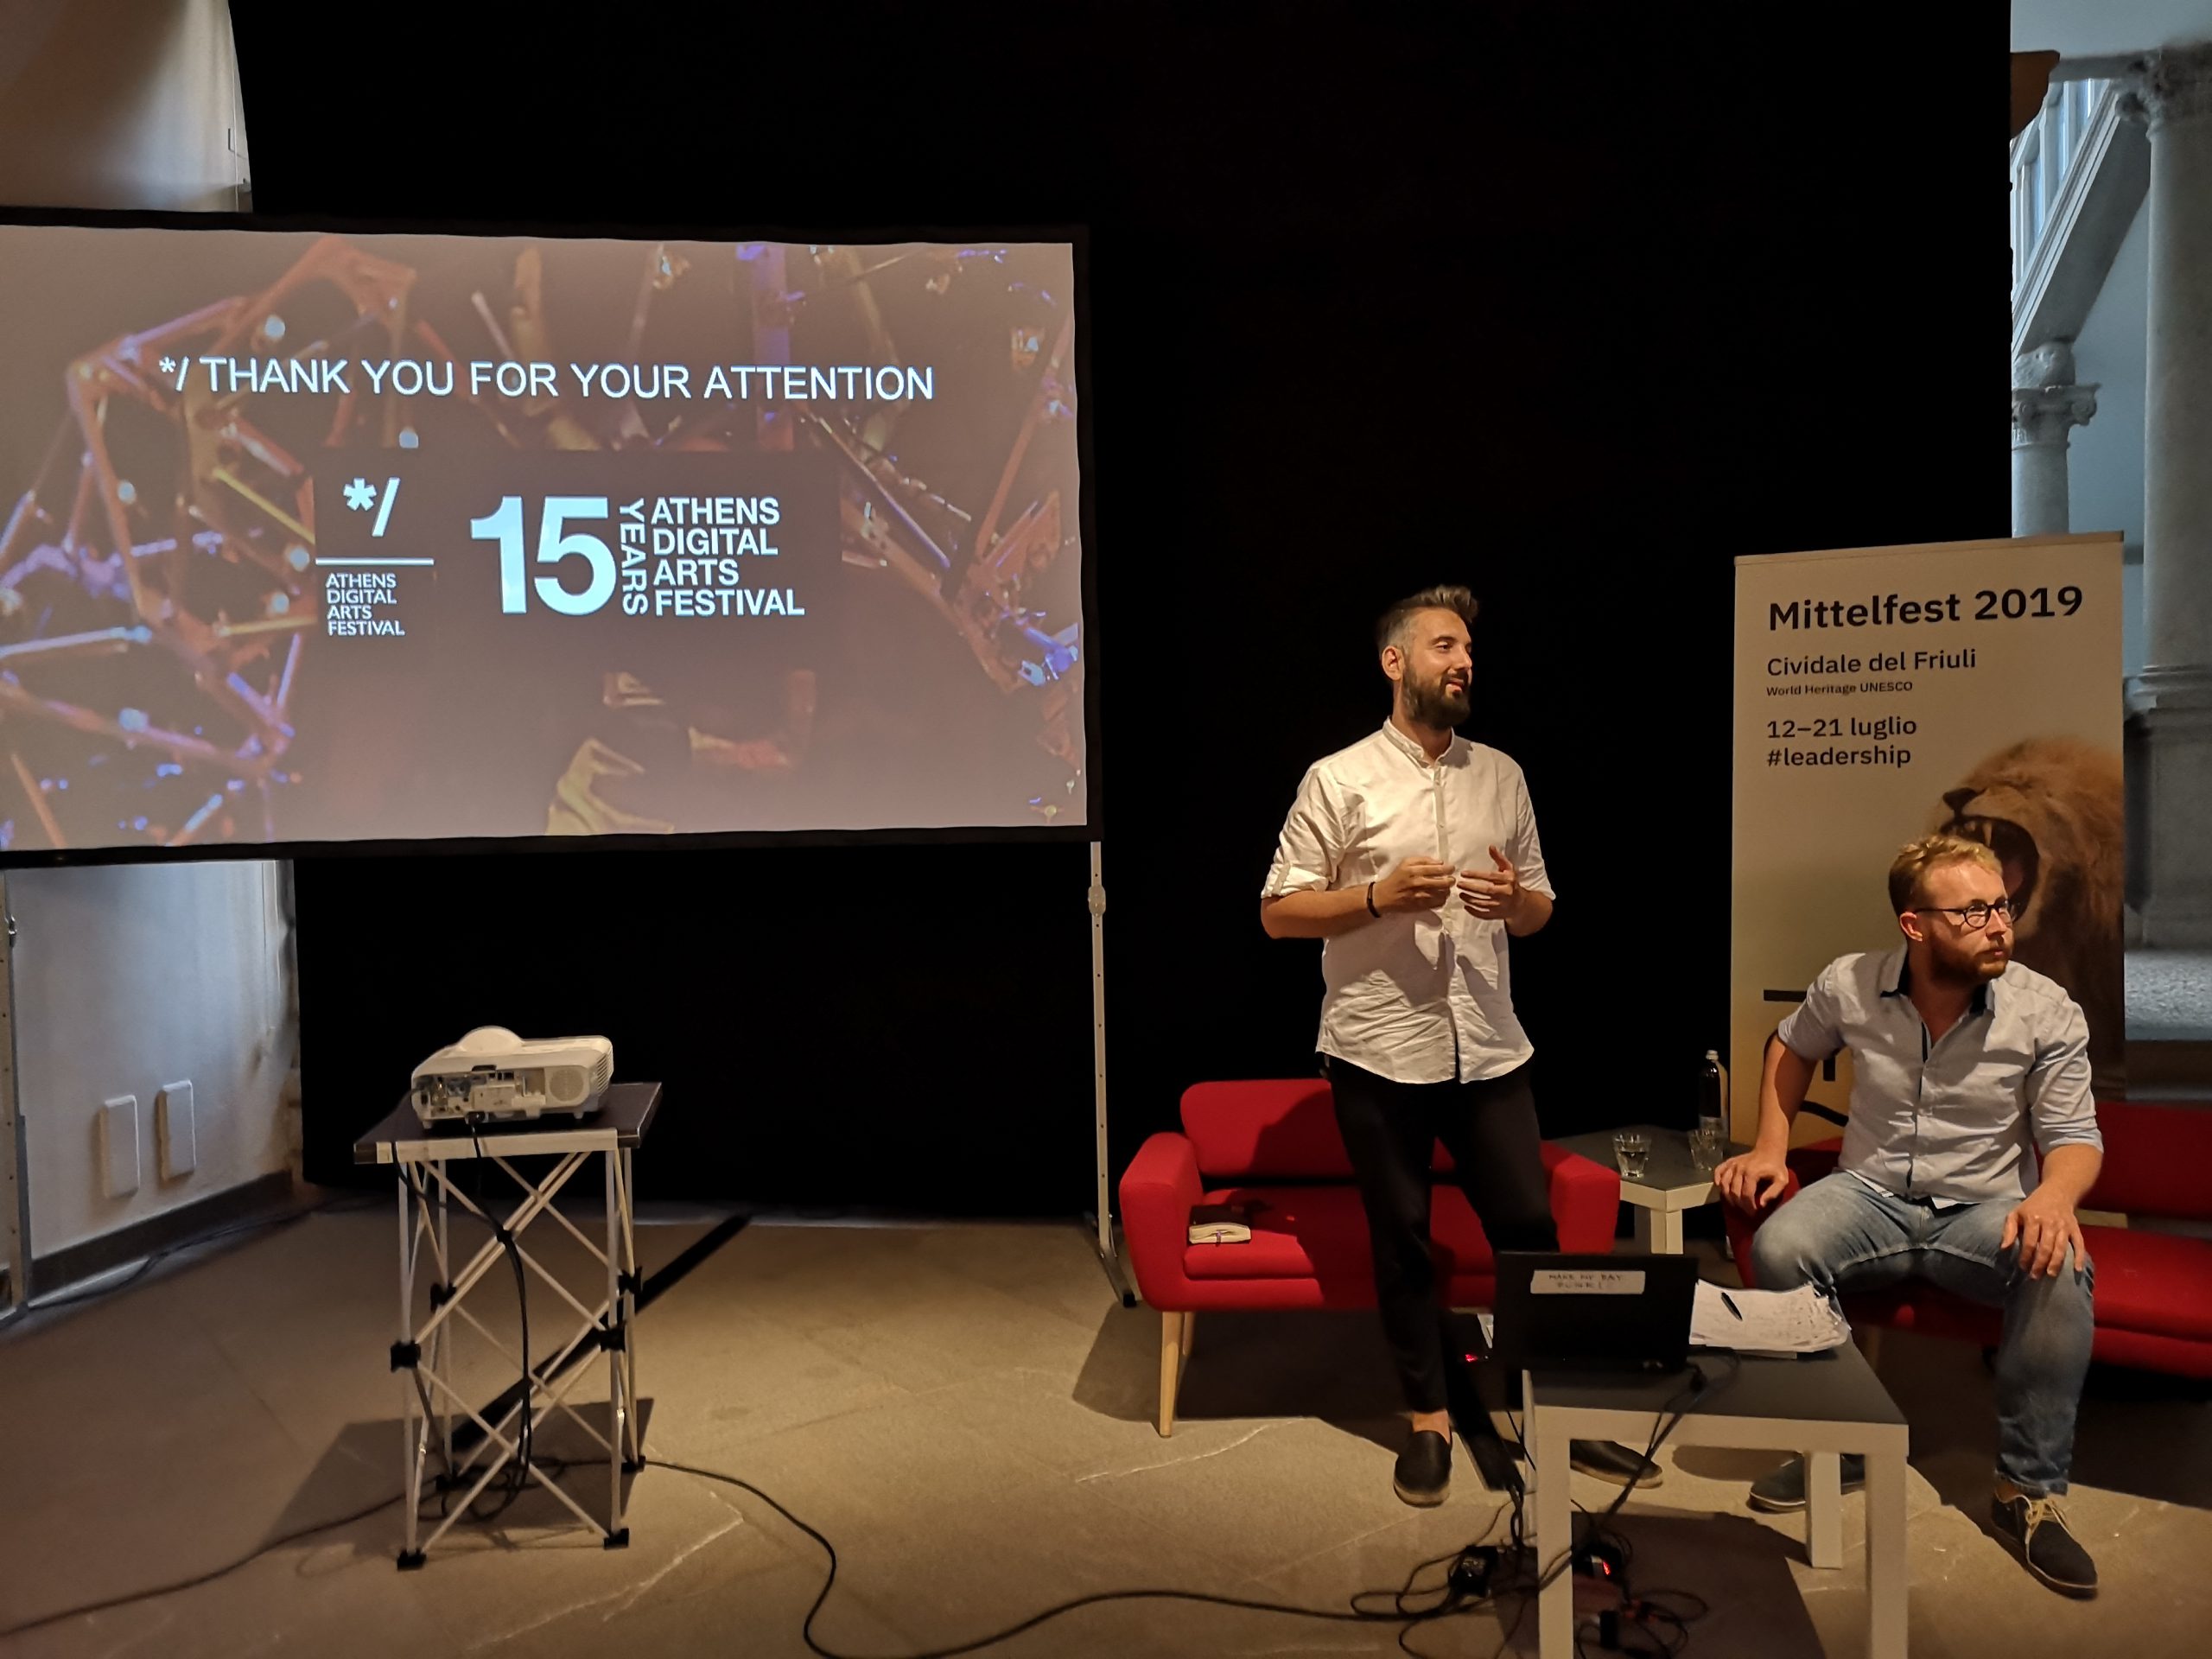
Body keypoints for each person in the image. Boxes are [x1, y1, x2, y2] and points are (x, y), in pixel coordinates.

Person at [1260, 584, 1657, 1506]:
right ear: (1395, 662)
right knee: (1402, 1241)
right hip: (1376, 1050)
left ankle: (1559, 1411)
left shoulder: (1501, 775)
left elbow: (1540, 909)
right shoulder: (1338, 778)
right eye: (1444, 646)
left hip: (1486, 1046)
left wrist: (1514, 903)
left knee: (1530, 1232)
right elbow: (1278, 911)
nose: (1464, 662)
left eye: (1469, 649)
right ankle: (1429, 1420)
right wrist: (1376, 898)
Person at [1715, 833, 2102, 1598]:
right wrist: (1770, 1146)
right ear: (1915, 925)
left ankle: (2027, 1491)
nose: (2000, 926)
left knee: (2060, 1264)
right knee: (1782, 1247)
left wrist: (2054, 1198)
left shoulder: (2044, 1009)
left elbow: (2073, 1135)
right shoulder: (1850, 985)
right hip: (1870, 1194)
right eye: (1974, 912)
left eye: (2003, 907)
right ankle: (1842, 1443)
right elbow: (1791, 1048)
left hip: (1987, 1206)